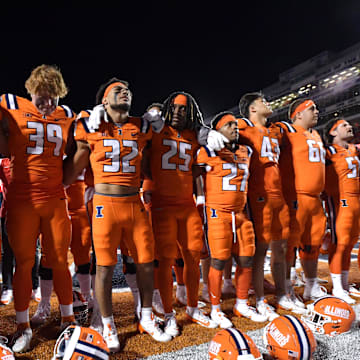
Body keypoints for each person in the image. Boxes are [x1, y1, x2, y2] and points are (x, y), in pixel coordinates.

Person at [63, 78, 171, 352]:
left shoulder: (142, 125)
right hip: (104, 204)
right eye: (117, 90)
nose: (125, 91)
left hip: (135, 203)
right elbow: (71, 159)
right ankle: (108, 323)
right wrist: (85, 116)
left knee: (147, 263)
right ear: (103, 101)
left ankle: (145, 317)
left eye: (127, 88)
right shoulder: (90, 124)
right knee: (105, 267)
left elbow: (172, 144)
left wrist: (162, 121)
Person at [0, 64, 76, 353]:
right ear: (30, 91)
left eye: (53, 96)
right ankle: (22, 326)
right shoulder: (10, 105)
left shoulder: (67, 115)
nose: (48, 103)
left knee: (59, 261)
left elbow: (77, 151)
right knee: (24, 263)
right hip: (22, 201)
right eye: (43, 96)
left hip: (56, 199)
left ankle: (68, 319)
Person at [146, 91, 217, 337]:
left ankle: (193, 307)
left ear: (190, 112)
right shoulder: (154, 129)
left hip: (186, 205)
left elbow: (201, 162)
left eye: (183, 109)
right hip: (161, 206)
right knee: (164, 261)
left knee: (193, 257)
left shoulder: (193, 135)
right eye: (174, 108)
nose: (177, 112)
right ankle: (167, 314)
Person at [195, 111, 266, 328]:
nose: (235, 128)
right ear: (217, 130)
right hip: (218, 212)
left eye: (235, 125)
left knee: (246, 258)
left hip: (241, 213)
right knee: (218, 260)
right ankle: (215, 309)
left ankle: (242, 304)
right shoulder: (206, 151)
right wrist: (205, 136)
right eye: (229, 125)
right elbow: (192, 171)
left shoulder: (247, 151)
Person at [237, 93, 304, 319]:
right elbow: (218, 130)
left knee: (282, 247)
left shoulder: (277, 129)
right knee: (261, 250)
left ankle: (283, 294)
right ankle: (259, 299)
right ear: (251, 109)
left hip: (279, 195)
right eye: (262, 101)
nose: (268, 103)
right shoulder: (243, 127)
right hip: (259, 195)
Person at [276, 98, 327, 301]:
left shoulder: (316, 134)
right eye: (311, 109)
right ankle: (287, 289)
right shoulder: (286, 131)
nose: (317, 111)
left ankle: (311, 285)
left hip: (316, 198)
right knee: (290, 245)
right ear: (298, 114)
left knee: (312, 244)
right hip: (296, 197)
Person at [323, 118, 360, 304]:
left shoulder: (354, 149)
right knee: (340, 243)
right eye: (344, 125)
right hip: (339, 201)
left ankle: (344, 285)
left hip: (356, 201)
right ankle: (337, 287)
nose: (350, 127)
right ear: (333, 132)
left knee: (351, 242)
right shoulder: (328, 152)